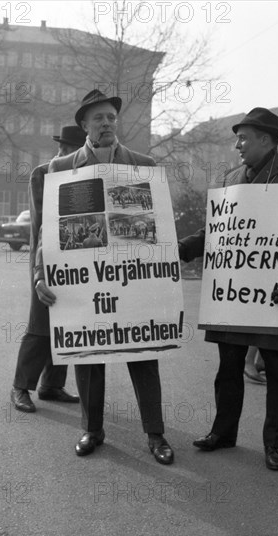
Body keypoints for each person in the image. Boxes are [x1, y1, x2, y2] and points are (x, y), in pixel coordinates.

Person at [179, 107, 278, 470]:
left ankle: (274, 445)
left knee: (277, 372)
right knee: (228, 368)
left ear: (266, 139)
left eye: (243, 137)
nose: (237, 145)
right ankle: (223, 433)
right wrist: (182, 249)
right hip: (233, 294)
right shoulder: (230, 179)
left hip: (274, 295)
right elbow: (217, 231)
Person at [37, 89, 174, 466]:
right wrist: (40, 274)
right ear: (84, 124)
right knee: (88, 353)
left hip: (131, 281)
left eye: (111, 117)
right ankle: (92, 429)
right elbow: (47, 231)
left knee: (143, 352)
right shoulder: (62, 168)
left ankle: (156, 434)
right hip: (83, 282)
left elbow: (158, 226)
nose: (107, 124)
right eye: (99, 118)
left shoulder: (142, 164)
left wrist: (164, 274)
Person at [10, 126, 87, 413]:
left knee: (66, 322)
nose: (62, 154)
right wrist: (40, 270)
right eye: (62, 149)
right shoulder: (43, 174)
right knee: (41, 324)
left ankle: (51, 385)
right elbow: (43, 222)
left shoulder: (85, 172)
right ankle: (20, 386)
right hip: (46, 259)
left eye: (68, 149)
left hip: (76, 262)